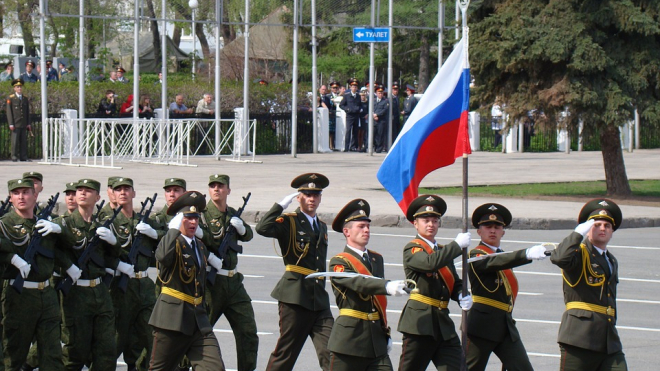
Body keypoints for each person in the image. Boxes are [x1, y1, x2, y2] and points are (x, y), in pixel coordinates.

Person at [255, 173, 333, 371]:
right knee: (286, 353)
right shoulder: (289, 221)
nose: (312, 199)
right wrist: (279, 206)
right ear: (299, 197)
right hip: (295, 297)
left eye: (316, 195)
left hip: (319, 300)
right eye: (307, 194)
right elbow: (263, 228)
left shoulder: (322, 227)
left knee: (332, 352)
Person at [148, 191, 226, 370]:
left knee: (214, 367)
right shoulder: (171, 243)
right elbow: (162, 257)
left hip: (198, 321)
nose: (193, 222)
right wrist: (173, 231)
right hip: (172, 321)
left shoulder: (198, 245)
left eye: (196, 218)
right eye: (188, 218)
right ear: (178, 219)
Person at [465, 203, 547, 371]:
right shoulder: (476, 254)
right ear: (479, 231)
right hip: (483, 325)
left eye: (497, 227)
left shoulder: (502, 256)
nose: (493, 230)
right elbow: (493, 262)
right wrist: (525, 254)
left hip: (505, 325)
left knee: (522, 368)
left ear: (503, 231)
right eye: (487, 227)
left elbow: (501, 260)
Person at [327, 198, 407, 371]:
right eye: (361, 226)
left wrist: (384, 331)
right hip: (349, 341)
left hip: (376, 340)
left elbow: (377, 300)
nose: (366, 230)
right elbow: (358, 282)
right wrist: (385, 286)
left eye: (368, 226)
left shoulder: (376, 259)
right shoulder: (338, 262)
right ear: (347, 231)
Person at [549, 199, 627, 371]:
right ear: (588, 228)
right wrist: (577, 235)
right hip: (579, 338)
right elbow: (559, 258)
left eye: (607, 225)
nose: (602, 229)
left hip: (608, 340)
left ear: (612, 231)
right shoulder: (579, 253)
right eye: (597, 224)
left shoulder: (611, 260)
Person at [397, 195, 472, 371]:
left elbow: (453, 281)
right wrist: (456, 246)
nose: (430, 224)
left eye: (434, 220)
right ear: (415, 224)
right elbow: (430, 263)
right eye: (425, 220)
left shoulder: (443, 251)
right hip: (419, 324)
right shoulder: (412, 248)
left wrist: (462, 293)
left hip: (443, 325)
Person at [0, 178, 65, 371]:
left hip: (47, 294)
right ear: (10, 198)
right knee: (14, 353)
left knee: (52, 354)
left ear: (35, 196)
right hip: (19, 296)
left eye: (26, 192)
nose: (21, 197)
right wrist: (12, 257)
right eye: (16, 193)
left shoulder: (44, 224)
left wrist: (60, 229)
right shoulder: (5, 224)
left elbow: (64, 249)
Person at [57, 178, 120, 370]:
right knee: (76, 350)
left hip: (100, 292)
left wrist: (113, 241)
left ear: (98, 197)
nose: (83, 193)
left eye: (88, 191)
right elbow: (53, 250)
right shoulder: (64, 223)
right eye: (80, 190)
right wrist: (68, 266)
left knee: (106, 350)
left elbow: (113, 257)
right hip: (76, 294)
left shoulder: (102, 226)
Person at [199, 174, 258, 371]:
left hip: (233, 283)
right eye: (213, 186)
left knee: (248, 332)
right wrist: (209, 256)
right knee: (199, 333)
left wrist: (241, 228)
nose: (217, 189)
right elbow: (193, 242)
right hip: (211, 284)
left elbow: (248, 235)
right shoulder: (201, 216)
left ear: (228, 190)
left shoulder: (232, 214)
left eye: (221, 186)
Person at [108, 177, 161, 371]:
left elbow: (167, 240)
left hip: (145, 286)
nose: (122, 193)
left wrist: (154, 233)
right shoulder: (110, 224)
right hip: (121, 288)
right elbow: (98, 253)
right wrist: (117, 264)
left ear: (133, 193)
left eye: (126, 189)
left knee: (152, 339)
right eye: (118, 189)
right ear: (112, 194)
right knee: (115, 341)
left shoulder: (143, 222)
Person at [6, 78, 31, 162]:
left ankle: (23, 156)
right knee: (15, 141)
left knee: (23, 141)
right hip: (15, 123)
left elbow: (27, 111)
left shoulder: (25, 98)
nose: (19, 88)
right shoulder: (11, 98)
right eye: (17, 87)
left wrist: (28, 123)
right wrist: (11, 123)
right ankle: (14, 156)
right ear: (14, 88)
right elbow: (9, 112)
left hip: (23, 122)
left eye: (20, 87)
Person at [340, 78, 362, 152]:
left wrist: (360, 109)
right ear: (350, 87)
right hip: (349, 115)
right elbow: (341, 105)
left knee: (355, 131)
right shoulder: (347, 96)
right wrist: (347, 109)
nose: (354, 88)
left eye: (355, 87)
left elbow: (360, 104)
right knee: (348, 131)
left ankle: (353, 147)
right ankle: (346, 147)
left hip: (356, 115)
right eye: (353, 86)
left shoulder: (358, 96)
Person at [373, 87, 389, 153]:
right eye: (379, 93)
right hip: (374, 120)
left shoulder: (385, 101)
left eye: (381, 93)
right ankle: (375, 146)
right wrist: (373, 115)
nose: (380, 94)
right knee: (373, 134)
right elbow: (370, 108)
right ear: (376, 93)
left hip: (381, 120)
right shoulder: (373, 101)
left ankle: (379, 148)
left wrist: (377, 115)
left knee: (380, 134)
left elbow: (385, 110)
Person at [328, 81, 341, 150]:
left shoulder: (341, 96)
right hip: (332, 115)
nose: (335, 89)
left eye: (336, 88)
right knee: (331, 132)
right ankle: (331, 145)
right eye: (334, 88)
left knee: (338, 131)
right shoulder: (328, 96)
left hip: (340, 116)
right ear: (331, 88)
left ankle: (337, 145)